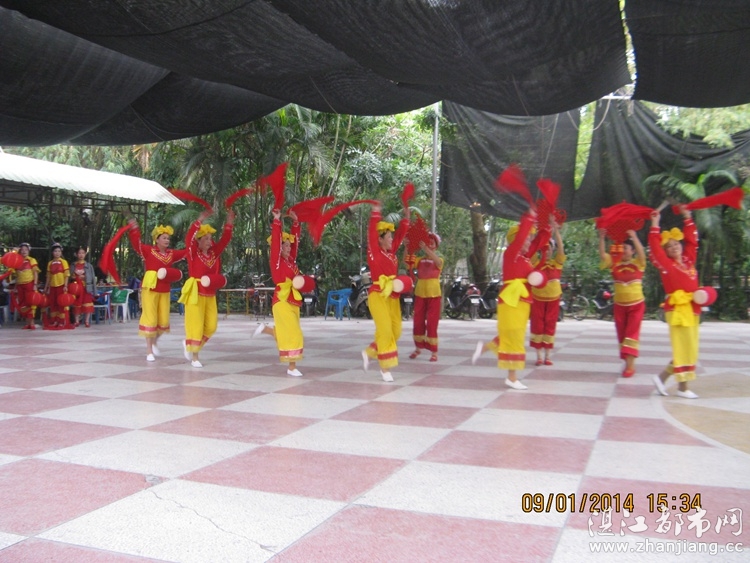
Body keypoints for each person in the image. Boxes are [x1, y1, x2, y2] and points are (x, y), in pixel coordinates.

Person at [473, 211, 538, 390]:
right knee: (514, 336)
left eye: (529, 239)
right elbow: (521, 237)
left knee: (511, 335)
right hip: (511, 301)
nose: (529, 241)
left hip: (522, 303)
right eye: (526, 238)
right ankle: (512, 377)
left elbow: (539, 244)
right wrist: (529, 218)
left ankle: (484, 348)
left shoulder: (525, 259)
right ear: (517, 239)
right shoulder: (511, 253)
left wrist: (547, 229)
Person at [649, 206, 702, 399]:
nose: (674, 247)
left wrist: (688, 217)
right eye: (669, 246)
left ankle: (662, 379)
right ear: (666, 251)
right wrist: (655, 224)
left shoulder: (688, 260)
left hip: (692, 307)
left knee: (691, 347)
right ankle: (682, 388)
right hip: (677, 309)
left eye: (676, 243)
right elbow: (655, 248)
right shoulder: (666, 265)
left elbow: (692, 242)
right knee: (682, 347)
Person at [253, 208, 306, 376]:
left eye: (290, 245)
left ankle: (267, 330)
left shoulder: (291, 262)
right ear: (279, 248)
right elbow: (276, 243)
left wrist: (296, 223)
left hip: (293, 300)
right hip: (282, 301)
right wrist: (277, 221)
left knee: (287, 332)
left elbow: (296, 244)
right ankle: (292, 367)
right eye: (286, 245)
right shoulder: (276, 261)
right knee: (294, 333)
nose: (289, 248)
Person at [180, 209, 235, 368]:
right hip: (195, 292)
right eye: (206, 238)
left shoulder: (213, 254)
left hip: (210, 293)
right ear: (198, 240)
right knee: (196, 325)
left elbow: (224, 240)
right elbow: (189, 239)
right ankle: (195, 357)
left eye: (210, 238)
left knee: (211, 326)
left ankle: (190, 345)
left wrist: (229, 222)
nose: (209, 241)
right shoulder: (193, 253)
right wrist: (199, 220)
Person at [362, 203, 410, 382]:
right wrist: (375, 214)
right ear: (380, 239)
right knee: (385, 330)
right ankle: (385, 368)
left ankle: (370, 352)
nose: (392, 239)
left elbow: (401, 235)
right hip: (378, 295)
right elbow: (371, 234)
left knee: (396, 331)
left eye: (391, 237)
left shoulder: (391, 252)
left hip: (393, 296)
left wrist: (406, 218)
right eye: (389, 237)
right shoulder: (374, 251)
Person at [127, 220, 188, 362]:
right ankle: (149, 351)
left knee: (163, 321)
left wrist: (195, 239)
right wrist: (134, 229)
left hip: (164, 289)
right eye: (164, 238)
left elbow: (186, 252)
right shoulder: (149, 251)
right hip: (150, 288)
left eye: (168, 238)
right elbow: (136, 244)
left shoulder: (171, 254)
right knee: (150, 319)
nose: (167, 240)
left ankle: (154, 342)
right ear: (157, 239)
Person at [598, 228, 647, 377]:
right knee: (622, 334)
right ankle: (628, 363)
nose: (623, 251)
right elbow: (602, 255)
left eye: (626, 248)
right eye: (622, 248)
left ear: (632, 251)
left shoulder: (638, 263)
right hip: (619, 305)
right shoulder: (614, 263)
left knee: (631, 333)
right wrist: (602, 238)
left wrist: (634, 237)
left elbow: (642, 253)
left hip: (636, 305)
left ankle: (630, 367)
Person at [529, 219, 564, 366]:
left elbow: (561, 248)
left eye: (549, 248)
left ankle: (548, 356)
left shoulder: (557, 263)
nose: (547, 251)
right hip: (538, 298)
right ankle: (538, 356)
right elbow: (531, 246)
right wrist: (534, 230)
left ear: (552, 250)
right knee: (537, 325)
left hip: (553, 299)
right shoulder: (536, 263)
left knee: (550, 325)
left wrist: (556, 230)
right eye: (544, 248)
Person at [408, 233, 444, 362]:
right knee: (418, 321)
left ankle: (434, 351)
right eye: (427, 242)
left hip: (434, 294)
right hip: (420, 293)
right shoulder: (420, 260)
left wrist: (426, 249)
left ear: (436, 246)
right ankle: (418, 348)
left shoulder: (439, 259)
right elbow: (407, 262)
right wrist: (407, 246)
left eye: (432, 243)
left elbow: (438, 262)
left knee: (432, 322)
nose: (429, 244)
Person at [9, 243, 40, 329]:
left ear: (29, 251)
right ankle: (27, 323)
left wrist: (35, 284)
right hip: (20, 285)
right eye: (22, 250)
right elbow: (16, 275)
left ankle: (32, 323)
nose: (24, 251)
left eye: (26, 250)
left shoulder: (32, 260)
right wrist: (15, 287)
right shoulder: (17, 261)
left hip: (29, 284)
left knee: (30, 302)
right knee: (23, 303)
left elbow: (35, 273)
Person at [43, 242, 70, 329]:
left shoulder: (64, 262)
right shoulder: (50, 263)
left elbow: (66, 275)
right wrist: (46, 287)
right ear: (52, 252)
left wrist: (65, 286)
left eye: (59, 251)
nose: (57, 253)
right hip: (52, 286)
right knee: (53, 303)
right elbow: (48, 276)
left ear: (61, 252)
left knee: (61, 303)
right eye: (55, 251)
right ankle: (54, 321)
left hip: (61, 285)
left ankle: (61, 321)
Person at [70, 246, 97, 327]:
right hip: (76, 288)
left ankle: (87, 321)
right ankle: (77, 321)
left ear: (85, 254)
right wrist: (73, 277)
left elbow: (92, 278)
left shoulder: (89, 266)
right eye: (79, 253)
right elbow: (69, 276)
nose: (81, 255)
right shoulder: (73, 265)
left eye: (83, 253)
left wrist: (85, 277)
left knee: (87, 302)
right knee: (76, 303)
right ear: (76, 254)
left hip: (86, 287)